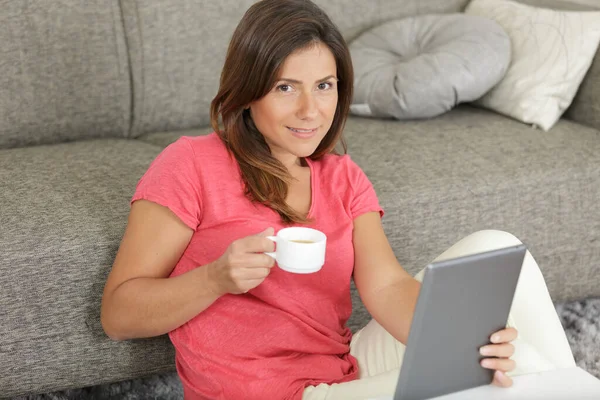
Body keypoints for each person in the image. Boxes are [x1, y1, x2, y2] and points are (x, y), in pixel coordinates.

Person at [100, 0, 576, 399]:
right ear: (248, 92)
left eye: (324, 86)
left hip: (341, 370)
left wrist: (466, 343)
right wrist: (215, 278)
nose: (311, 111)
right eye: (286, 87)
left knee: (496, 250)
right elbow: (118, 315)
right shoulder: (190, 165)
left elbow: (387, 287)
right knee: (508, 383)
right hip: (271, 393)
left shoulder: (342, 177)